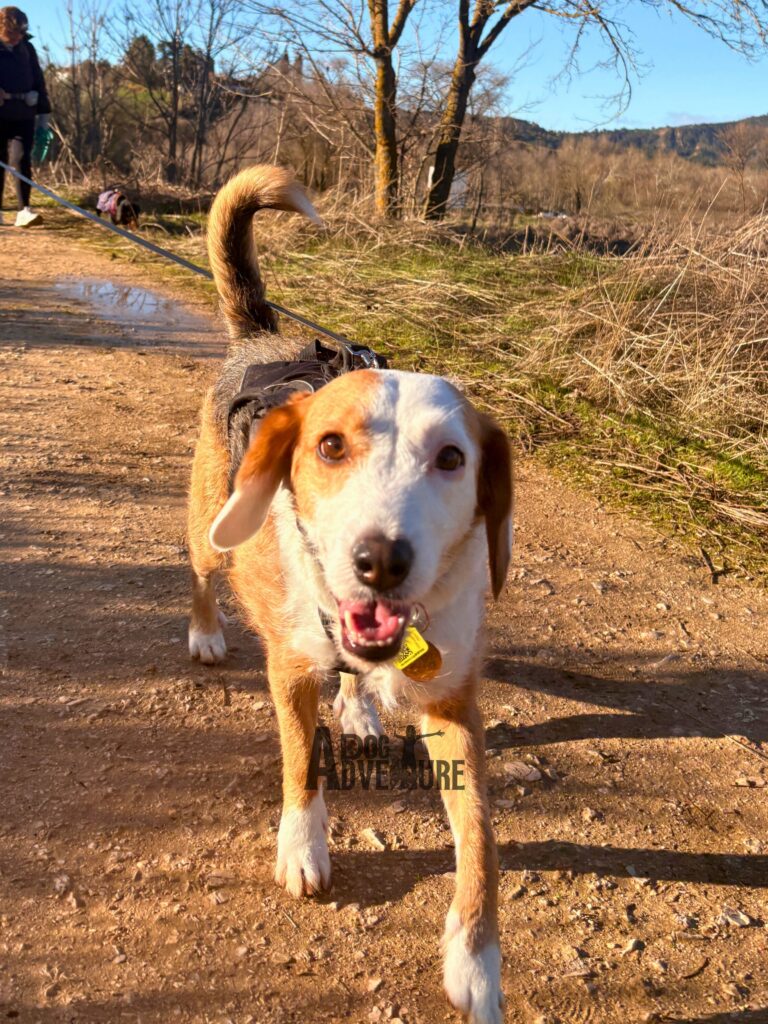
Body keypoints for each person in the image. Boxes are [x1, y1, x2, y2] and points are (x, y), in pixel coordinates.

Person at [0, 6, 50, 227]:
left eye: (20, 33)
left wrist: (43, 117)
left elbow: (39, 81)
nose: (16, 38)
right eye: (11, 34)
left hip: (24, 115)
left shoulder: (27, 49)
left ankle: (24, 210)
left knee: (21, 159)